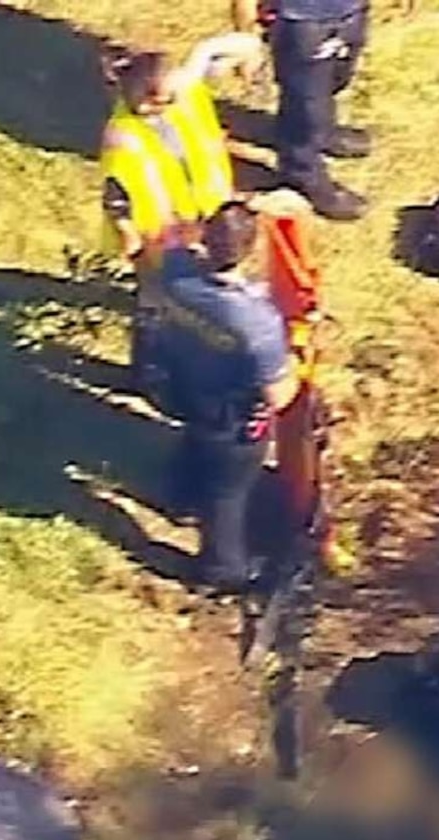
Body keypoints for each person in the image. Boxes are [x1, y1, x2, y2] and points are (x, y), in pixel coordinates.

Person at [142, 202, 299, 593]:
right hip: (232, 421)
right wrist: (298, 363)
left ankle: (177, 498)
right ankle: (223, 569)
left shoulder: (174, 270)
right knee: (228, 494)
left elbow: (170, 235)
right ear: (251, 249)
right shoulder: (256, 322)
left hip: (183, 390)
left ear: (205, 238)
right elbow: (278, 395)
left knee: (195, 447)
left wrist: (221, 220)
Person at [99, 36, 260, 264]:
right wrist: (130, 235)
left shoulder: (182, 94)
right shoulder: (124, 138)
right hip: (162, 233)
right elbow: (115, 195)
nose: (173, 104)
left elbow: (223, 48)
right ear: (145, 99)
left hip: (204, 212)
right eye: (165, 100)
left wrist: (248, 54)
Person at [243, 0, 374, 220]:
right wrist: (246, 38)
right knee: (305, 97)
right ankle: (302, 171)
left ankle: (321, 132)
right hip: (302, 21)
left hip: (351, 11)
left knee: (335, 79)